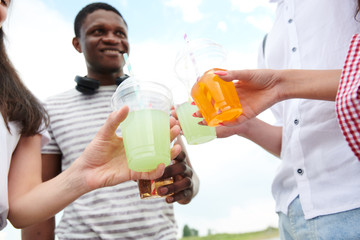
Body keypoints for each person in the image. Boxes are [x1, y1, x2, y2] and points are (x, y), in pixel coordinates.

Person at [22, 2, 199, 240]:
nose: (112, 38)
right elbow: (38, 201)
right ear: (77, 43)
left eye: (120, 33)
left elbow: (190, 179)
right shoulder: (49, 109)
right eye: (98, 31)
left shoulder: (155, 105)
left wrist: (186, 187)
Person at [196, 0, 360, 239]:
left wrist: (280, 84)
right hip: (290, 213)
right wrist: (245, 125)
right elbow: (290, 145)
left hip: (350, 201)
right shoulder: (268, 41)